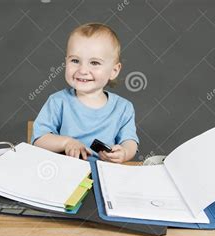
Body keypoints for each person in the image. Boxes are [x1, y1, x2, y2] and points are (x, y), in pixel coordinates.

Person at [31, 23, 139, 163]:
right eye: (75, 60)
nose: (82, 70)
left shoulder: (123, 108)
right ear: (66, 62)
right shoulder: (58, 102)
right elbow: (39, 139)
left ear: (114, 70)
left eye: (94, 63)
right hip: (65, 173)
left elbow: (130, 141)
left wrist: (124, 152)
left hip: (105, 174)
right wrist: (66, 143)